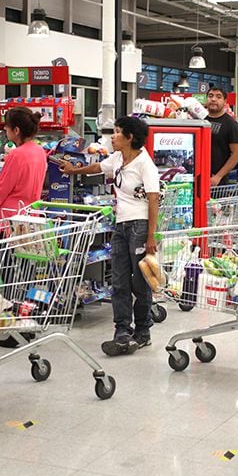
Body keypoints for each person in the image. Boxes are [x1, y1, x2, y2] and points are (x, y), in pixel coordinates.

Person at [61, 117, 160, 355]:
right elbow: (98, 167)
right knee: (119, 281)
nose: (112, 137)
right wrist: (75, 170)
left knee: (140, 282)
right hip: (121, 227)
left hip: (139, 225)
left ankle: (143, 330)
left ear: (130, 138)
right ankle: (122, 330)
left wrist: (150, 236)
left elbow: (154, 198)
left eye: (117, 133)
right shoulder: (117, 158)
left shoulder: (145, 164)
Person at [0, 107, 48, 349]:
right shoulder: (39, 152)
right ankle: (26, 320)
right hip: (29, 219)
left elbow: (1, 190)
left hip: (8, 221)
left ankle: (15, 328)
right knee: (23, 273)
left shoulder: (16, 155)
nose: (5, 131)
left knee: (7, 274)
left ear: (16, 130)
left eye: (6, 127)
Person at [205, 87, 238, 187]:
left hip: (217, 182)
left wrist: (218, 176)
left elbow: (237, 154)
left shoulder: (231, 124)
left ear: (225, 101)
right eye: (210, 96)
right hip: (198, 176)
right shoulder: (200, 120)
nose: (213, 99)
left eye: (218, 97)